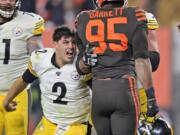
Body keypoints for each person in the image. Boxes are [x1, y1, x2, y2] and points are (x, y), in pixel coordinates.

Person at [75, 0, 159, 135]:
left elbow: (80, 68)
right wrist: (151, 97)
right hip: (124, 90)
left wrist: (85, 61)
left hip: (98, 93)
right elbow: (145, 61)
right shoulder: (135, 15)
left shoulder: (83, 18)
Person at [3, 26, 92, 135]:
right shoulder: (41, 59)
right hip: (49, 122)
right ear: (55, 44)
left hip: (76, 124)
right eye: (65, 42)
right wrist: (7, 100)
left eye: (73, 43)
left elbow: (98, 91)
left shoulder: (82, 64)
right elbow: (24, 80)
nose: (71, 46)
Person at [0, 0, 44, 134]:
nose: (8, 2)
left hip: (17, 93)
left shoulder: (30, 22)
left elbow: (36, 53)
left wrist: (35, 51)